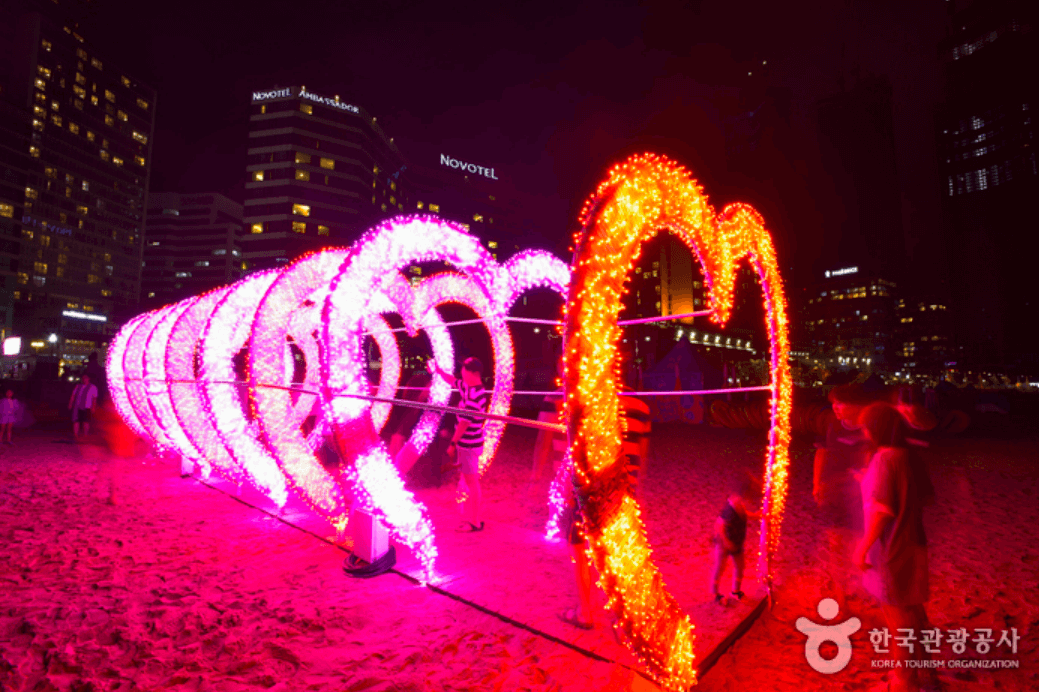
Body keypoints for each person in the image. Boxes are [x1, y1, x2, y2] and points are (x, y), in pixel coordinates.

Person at [854, 402, 937, 692]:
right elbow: (925, 498)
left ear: (875, 429)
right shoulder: (908, 456)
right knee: (913, 613)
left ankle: (904, 682)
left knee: (898, 621)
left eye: (866, 426)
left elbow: (881, 510)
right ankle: (924, 676)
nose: (863, 431)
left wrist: (863, 547)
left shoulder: (885, 459)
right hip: (916, 542)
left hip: (893, 547)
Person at [558, 391, 651, 630]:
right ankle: (625, 622)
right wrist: (635, 485)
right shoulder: (642, 406)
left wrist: (570, 491)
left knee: (579, 549)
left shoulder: (591, 401)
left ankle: (586, 612)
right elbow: (643, 450)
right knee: (616, 555)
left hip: (593, 489)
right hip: (623, 489)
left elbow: (580, 454)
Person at [429, 357, 488, 532]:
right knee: (469, 481)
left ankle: (474, 522)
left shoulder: (476, 395)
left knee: (472, 483)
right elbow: (453, 381)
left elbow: (464, 423)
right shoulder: (468, 388)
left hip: (469, 445)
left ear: (474, 373)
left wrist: (453, 443)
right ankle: (472, 518)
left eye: (465, 369)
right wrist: (439, 371)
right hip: (468, 444)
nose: (461, 372)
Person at [711, 472, 760, 604]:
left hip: (737, 542)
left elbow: (743, 513)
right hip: (724, 544)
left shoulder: (739, 503)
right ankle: (715, 594)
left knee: (740, 567)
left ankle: (735, 591)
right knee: (719, 568)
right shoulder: (730, 508)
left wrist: (756, 515)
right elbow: (719, 525)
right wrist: (726, 543)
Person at [388, 370, 431, 475]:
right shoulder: (414, 406)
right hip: (405, 430)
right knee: (397, 439)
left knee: (398, 440)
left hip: (411, 430)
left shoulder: (423, 406)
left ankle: (397, 471)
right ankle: (394, 470)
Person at [69, 374, 99, 439]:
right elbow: (73, 395)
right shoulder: (78, 386)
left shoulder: (93, 387)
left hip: (87, 406)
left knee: (86, 421)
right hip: (77, 405)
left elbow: (94, 398)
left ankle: (85, 435)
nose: (84, 379)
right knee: (76, 420)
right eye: (83, 378)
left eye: (86, 378)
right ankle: (76, 434)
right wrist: (70, 403)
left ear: (89, 378)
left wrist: (93, 407)